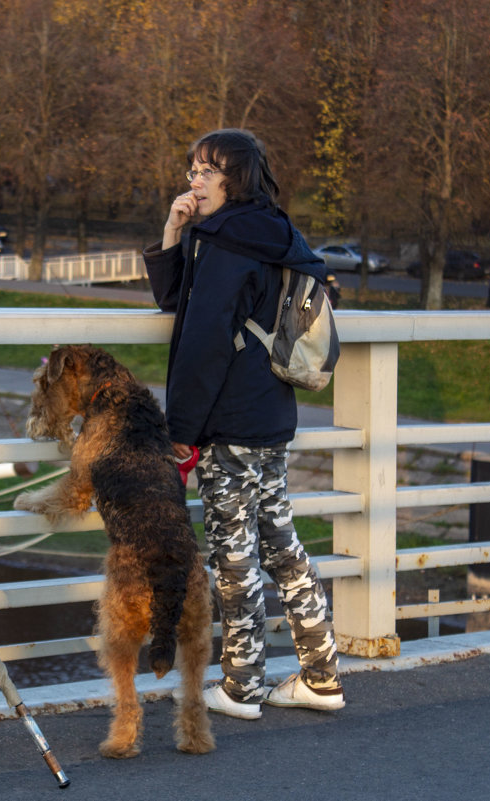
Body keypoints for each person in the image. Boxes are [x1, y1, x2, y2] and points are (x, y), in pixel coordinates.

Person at [143, 129, 344, 720]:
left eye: (208, 171)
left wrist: (181, 425)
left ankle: (241, 688)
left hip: (228, 421)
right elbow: (180, 299)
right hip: (271, 414)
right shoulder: (270, 230)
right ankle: (322, 675)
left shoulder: (227, 241)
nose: (194, 180)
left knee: (234, 557)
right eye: (192, 169)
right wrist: (173, 234)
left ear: (235, 179)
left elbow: (201, 339)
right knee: (280, 545)